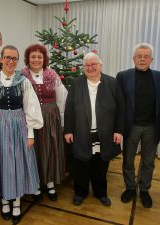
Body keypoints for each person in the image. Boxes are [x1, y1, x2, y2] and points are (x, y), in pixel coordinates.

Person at [0, 45, 43, 223]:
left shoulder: (23, 80)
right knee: (2, 162)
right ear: (1, 59)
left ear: (17, 61)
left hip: (19, 126)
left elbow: (31, 107)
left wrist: (31, 133)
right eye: (8, 58)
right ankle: (4, 202)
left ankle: (17, 203)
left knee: (18, 162)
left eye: (14, 58)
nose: (11, 61)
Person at [64, 52, 125, 206]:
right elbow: (69, 109)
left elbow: (121, 109)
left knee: (101, 165)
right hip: (81, 132)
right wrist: (68, 130)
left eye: (94, 64)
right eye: (87, 65)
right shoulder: (76, 84)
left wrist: (119, 130)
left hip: (104, 133)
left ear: (100, 65)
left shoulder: (112, 83)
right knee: (81, 165)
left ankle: (100, 193)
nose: (90, 68)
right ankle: (80, 192)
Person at [116, 43, 160, 208]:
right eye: (139, 56)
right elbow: (119, 104)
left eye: (146, 56)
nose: (142, 59)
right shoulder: (123, 76)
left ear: (152, 59)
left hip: (152, 127)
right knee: (128, 160)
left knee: (148, 161)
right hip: (131, 127)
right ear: (134, 59)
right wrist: (119, 128)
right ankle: (130, 188)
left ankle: (144, 189)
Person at [21, 44, 67, 201]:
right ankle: (35, 184)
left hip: (50, 117)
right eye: (33, 56)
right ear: (28, 59)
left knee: (50, 149)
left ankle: (50, 182)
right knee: (34, 151)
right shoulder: (22, 75)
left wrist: (60, 119)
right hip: (30, 118)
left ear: (44, 59)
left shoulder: (52, 74)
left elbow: (61, 97)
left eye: (39, 57)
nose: (36, 59)